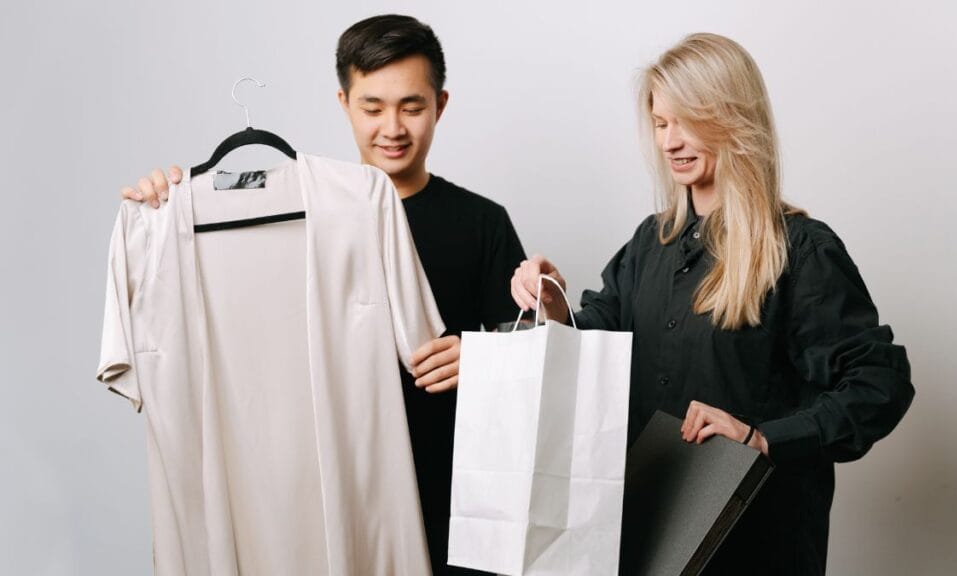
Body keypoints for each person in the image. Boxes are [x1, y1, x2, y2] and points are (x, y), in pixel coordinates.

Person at [121, 15, 523, 575]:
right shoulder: (293, 218)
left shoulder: (482, 223)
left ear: (440, 104)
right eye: (372, 107)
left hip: (461, 498)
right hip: (335, 501)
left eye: (412, 106)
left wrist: (484, 357)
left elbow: (536, 364)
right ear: (343, 103)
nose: (393, 127)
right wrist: (161, 214)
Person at [511, 33, 914, 575]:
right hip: (643, 531)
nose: (671, 141)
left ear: (734, 117)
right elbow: (596, 343)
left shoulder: (800, 251)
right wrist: (554, 310)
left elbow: (880, 384)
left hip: (757, 544)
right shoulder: (646, 245)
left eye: (689, 120)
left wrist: (761, 439)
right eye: (660, 123)